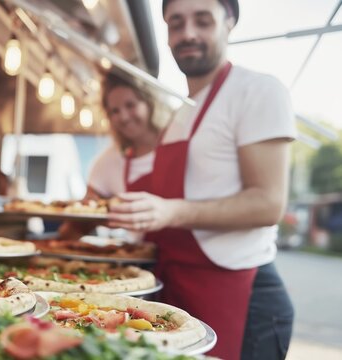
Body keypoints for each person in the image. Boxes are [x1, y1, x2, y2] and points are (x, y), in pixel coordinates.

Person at [108, 0, 296, 359]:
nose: (187, 33)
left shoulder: (258, 90)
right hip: (179, 292)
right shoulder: (179, 114)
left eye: (202, 20)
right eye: (175, 23)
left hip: (240, 296)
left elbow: (269, 203)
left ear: (229, 22)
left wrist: (170, 212)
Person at [59, 73, 163, 239]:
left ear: (149, 104)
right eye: (114, 111)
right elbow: (81, 221)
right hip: (141, 256)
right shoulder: (107, 161)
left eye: (130, 105)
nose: (123, 117)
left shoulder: (175, 144)